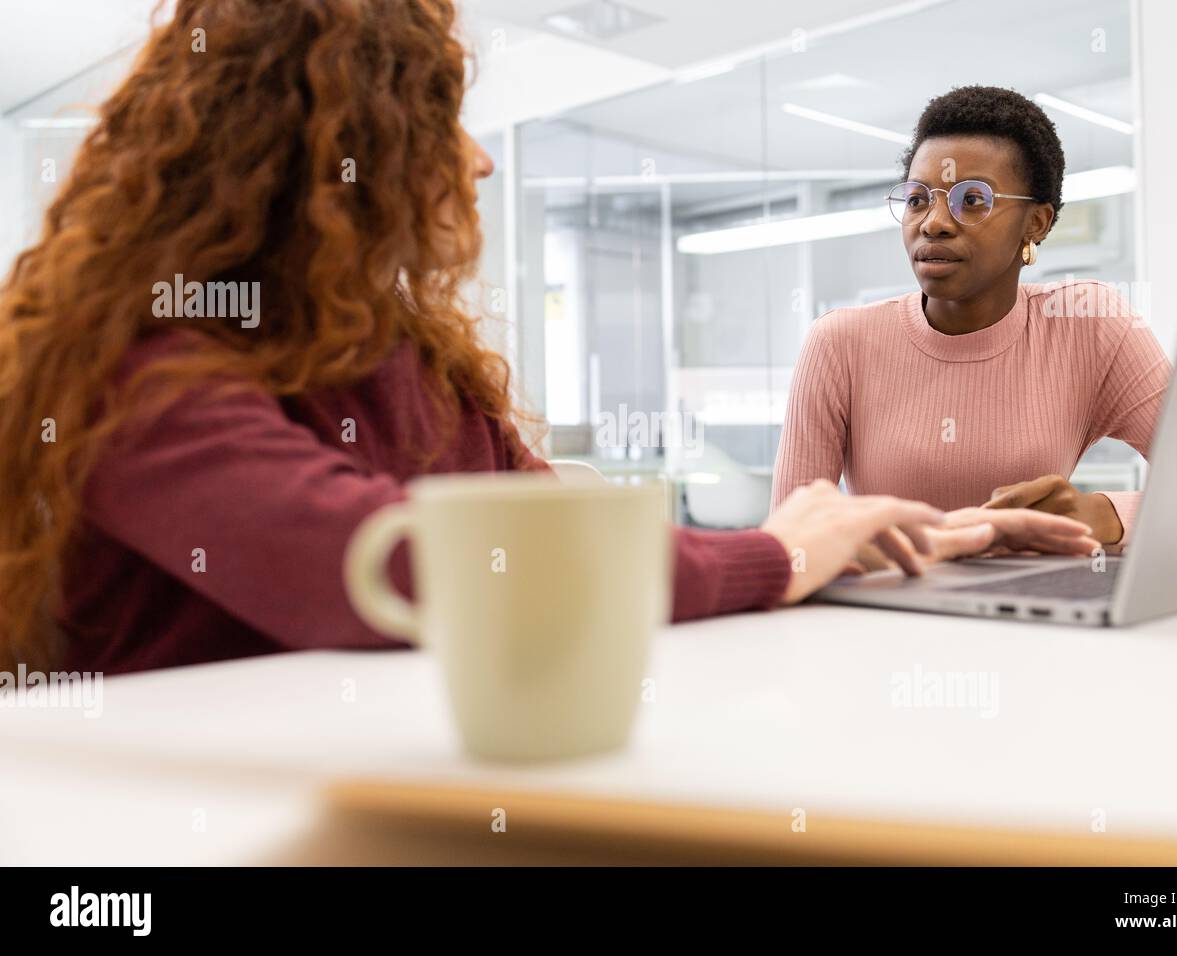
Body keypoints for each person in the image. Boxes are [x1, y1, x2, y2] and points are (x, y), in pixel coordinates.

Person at [0, 3, 1095, 676]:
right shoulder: (135, 361)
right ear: (321, 153)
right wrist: (776, 550)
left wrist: (912, 532)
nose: (476, 164)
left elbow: (549, 526)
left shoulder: (402, 354)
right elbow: (383, 564)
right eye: (440, 124)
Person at [772, 85, 1170, 554]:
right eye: (918, 199)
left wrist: (1100, 514)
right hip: (888, 612)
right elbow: (788, 543)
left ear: (1036, 223)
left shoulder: (1090, 325)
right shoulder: (839, 342)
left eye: (973, 200)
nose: (934, 222)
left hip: (1037, 613)